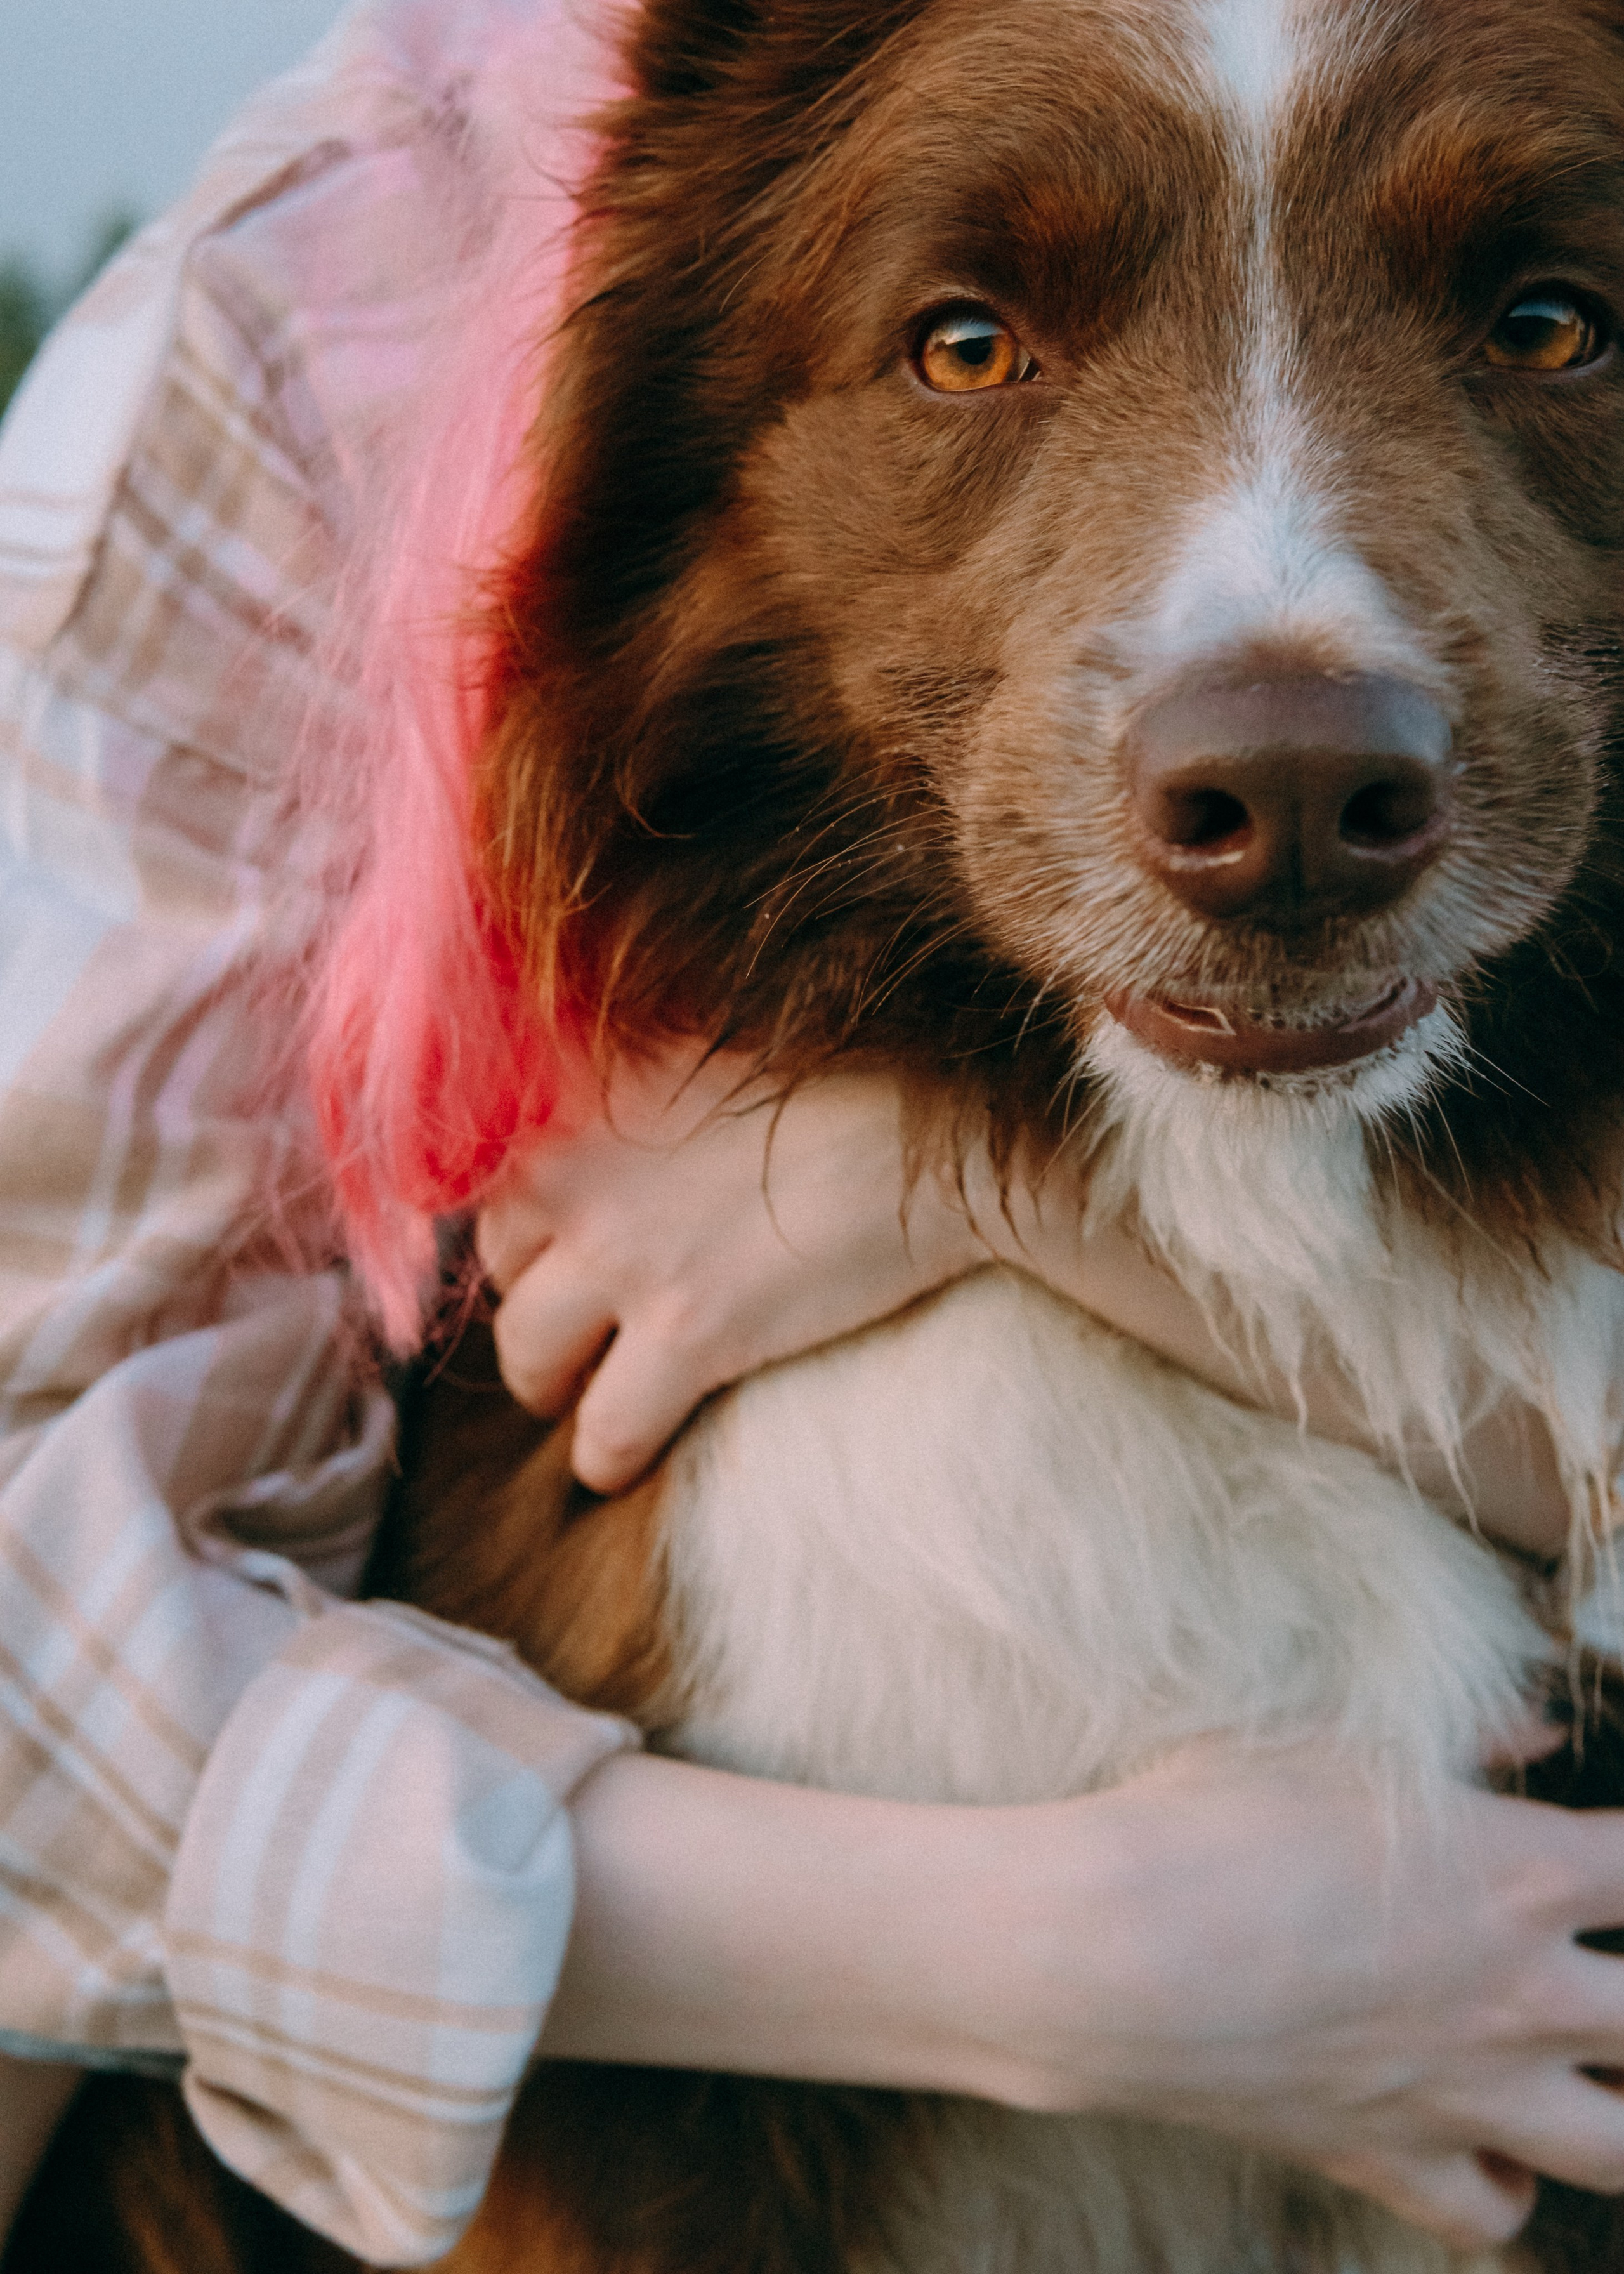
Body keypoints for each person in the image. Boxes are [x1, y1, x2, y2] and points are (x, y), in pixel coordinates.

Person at [4, 0, 1624, 2261]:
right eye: (973, 347)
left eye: (1552, 323)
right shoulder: (326, 274)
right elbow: (30, 1678)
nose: (1288, 617)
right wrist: (1045, 1962)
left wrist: (951, 1197)